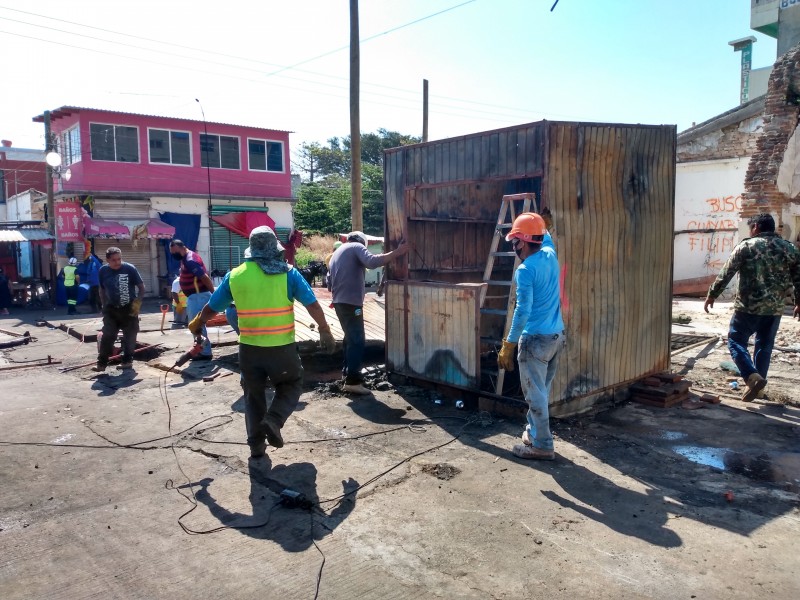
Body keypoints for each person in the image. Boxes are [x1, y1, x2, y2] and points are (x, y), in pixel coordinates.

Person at [188, 226, 336, 458]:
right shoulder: (289, 274)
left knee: (253, 396)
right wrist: (325, 330)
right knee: (291, 384)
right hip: (281, 349)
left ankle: (256, 446)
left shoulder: (235, 276)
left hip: (249, 351)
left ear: (252, 250)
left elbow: (211, 308)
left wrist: (197, 323)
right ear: (274, 249)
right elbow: (313, 305)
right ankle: (274, 420)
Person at [704, 213, 800, 402]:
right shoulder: (789, 249)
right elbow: (799, 278)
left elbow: (726, 273)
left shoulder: (746, 247)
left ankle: (751, 376)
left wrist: (712, 294)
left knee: (735, 341)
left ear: (756, 227)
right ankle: (759, 388)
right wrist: (799, 301)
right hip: (774, 308)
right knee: (764, 346)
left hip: (747, 307)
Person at [498, 213, 565, 461]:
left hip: (535, 341)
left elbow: (522, 311)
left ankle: (543, 446)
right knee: (541, 390)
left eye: (514, 241)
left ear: (522, 243)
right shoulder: (550, 254)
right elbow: (545, 235)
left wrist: (509, 344)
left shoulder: (525, 270)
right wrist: (540, 224)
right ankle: (534, 432)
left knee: (534, 394)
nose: (514, 247)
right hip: (556, 337)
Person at [328, 231, 408, 395]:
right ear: (362, 242)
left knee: (349, 338)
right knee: (357, 340)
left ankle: (347, 373)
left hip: (339, 302)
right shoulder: (356, 247)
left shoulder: (338, 252)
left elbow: (329, 282)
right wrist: (398, 252)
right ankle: (353, 381)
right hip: (350, 303)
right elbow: (371, 262)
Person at [94, 247, 145, 372]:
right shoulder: (103, 271)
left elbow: (141, 288)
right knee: (108, 336)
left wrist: (137, 305)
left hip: (129, 309)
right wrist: (104, 305)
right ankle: (101, 363)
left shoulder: (130, 269)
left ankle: (127, 361)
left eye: (119, 259)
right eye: (114, 260)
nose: (117, 262)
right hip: (111, 310)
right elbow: (102, 289)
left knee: (130, 337)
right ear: (107, 260)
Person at [169, 239, 215, 359]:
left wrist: (214, 294)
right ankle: (200, 349)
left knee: (196, 325)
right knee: (196, 325)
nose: (173, 255)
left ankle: (204, 352)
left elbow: (204, 277)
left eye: (174, 252)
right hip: (195, 297)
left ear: (181, 247)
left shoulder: (190, 260)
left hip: (199, 296)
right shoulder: (186, 258)